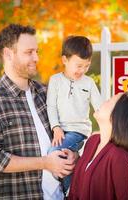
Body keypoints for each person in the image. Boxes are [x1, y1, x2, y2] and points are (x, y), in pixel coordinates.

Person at [0, 24, 77, 200]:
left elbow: (69, 133)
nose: (36, 58)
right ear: (8, 54)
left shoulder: (47, 93)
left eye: (37, 51)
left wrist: (73, 154)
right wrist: (46, 163)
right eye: (29, 52)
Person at [68, 92, 128, 200]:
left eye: (109, 101)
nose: (103, 102)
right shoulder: (92, 141)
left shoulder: (121, 158)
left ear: (117, 116)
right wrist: (76, 159)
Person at [46, 36, 102, 192]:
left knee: (54, 153)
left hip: (78, 132)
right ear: (65, 60)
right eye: (78, 65)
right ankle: (71, 187)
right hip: (60, 131)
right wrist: (55, 127)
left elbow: (100, 107)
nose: (82, 70)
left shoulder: (88, 83)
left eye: (86, 66)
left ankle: (70, 189)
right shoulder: (55, 80)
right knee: (62, 156)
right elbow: (51, 106)